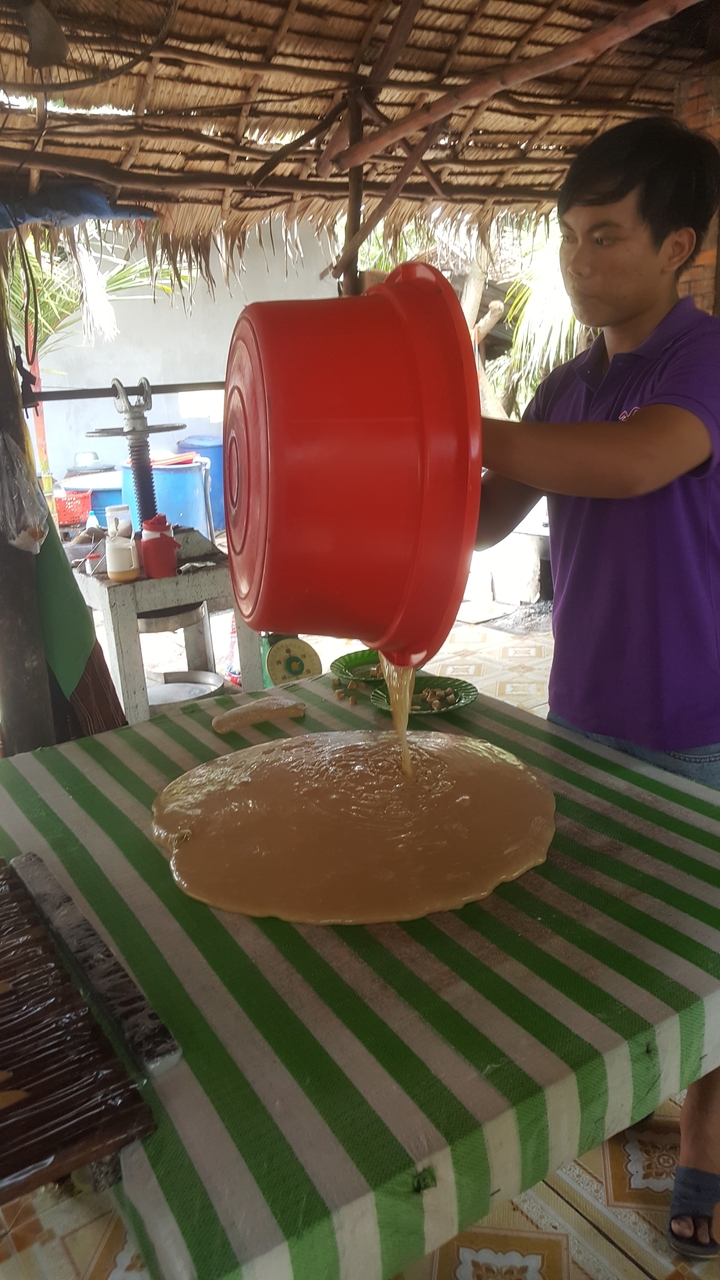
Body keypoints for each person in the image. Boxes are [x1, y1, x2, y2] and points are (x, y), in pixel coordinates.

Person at [476, 116, 720, 1259]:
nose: (580, 262)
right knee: (616, 937)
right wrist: (405, 456)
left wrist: (462, 428)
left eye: (608, 236)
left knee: (712, 968)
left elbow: (634, 464)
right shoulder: (568, 381)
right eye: (569, 237)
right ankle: (637, 1087)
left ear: (679, 245)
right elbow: (484, 512)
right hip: (583, 717)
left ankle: (709, 1153)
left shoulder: (703, 362)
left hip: (699, 722)